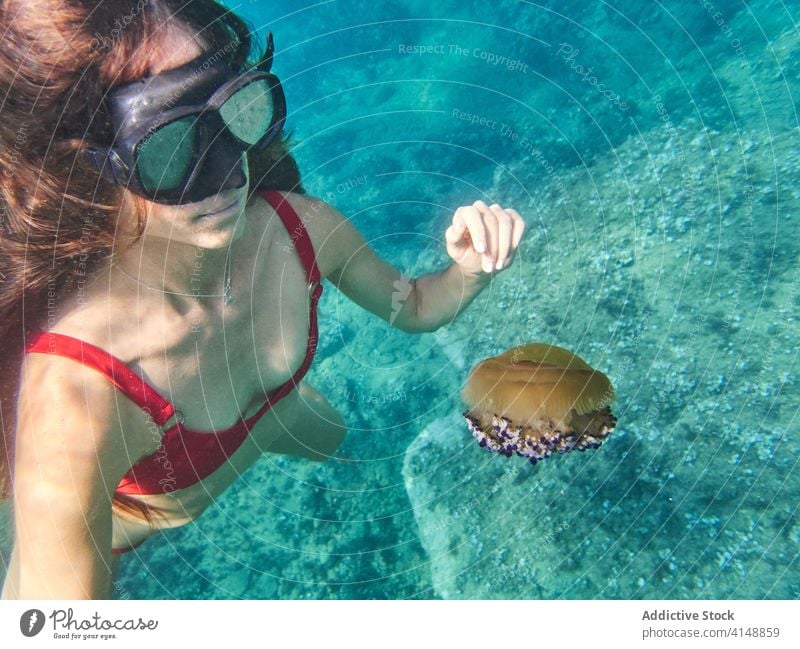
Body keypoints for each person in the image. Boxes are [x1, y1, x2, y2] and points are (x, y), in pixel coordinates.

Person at [0, 0, 525, 599]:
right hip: (142, 519)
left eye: (238, 113)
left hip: (281, 416)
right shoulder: (77, 400)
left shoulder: (302, 229)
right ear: (90, 172)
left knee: (348, 441)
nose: (227, 171)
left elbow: (416, 308)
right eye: (169, 148)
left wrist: (469, 270)